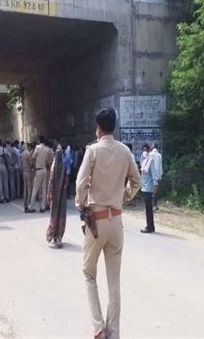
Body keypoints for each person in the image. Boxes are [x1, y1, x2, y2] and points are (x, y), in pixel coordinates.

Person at [76, 107, 140, 339]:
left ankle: (98, 328)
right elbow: (137, 181)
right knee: (114, 282)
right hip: (117, 222)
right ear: (113, 126)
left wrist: (82, 205)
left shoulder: (92, 151)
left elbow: (80, 184)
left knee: (89, 274)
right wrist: (122, 198)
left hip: (96, 223)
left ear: (98, 128)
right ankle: (113, 333)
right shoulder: (125, 151)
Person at [46, 145, 68, 248]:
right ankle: (59, 237)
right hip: (62, 196)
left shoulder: (53, 168)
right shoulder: (64, 166)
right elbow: (66, 182)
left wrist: (49, 194)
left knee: (54, 215)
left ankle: (52, 235)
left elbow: (50, 182)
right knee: (61, 215)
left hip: (55, 195)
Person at [28, 135, 48, 213]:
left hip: (38, 170)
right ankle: (42, 206)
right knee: (43, 189)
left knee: (35, 188)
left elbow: (33, 157)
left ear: (39, 140)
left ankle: (31, 206)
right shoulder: (46, 149)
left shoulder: (37, 148)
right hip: (44, 169)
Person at [140, 150, 158, 234]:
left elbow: (154, 176)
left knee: (149, 209)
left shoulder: (151, 162)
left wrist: (155, 188)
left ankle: (150, 227)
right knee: (147, 209)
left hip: (149, 188)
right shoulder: (144, 163)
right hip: (144, 188)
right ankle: (150, 226)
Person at [149, 143, 163, 211]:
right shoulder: (159, 155)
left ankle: (152, 206)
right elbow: (160, 167)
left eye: (151, 145)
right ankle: (155, 206)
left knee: (150, 191)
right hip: (157, 176)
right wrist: (160, 176)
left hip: (150, 176)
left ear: (153, 147)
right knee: (155, 192)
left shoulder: (150, 154)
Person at [21, 143, 33, 211]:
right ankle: (29, 205)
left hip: (24, 172)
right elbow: (31, 163)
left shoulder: (22, 154)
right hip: (28, 172)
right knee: (29, 189)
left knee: (25, 189)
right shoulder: (28, 154)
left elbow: (21, 164)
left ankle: (24, 204)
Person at [44, 139, 55, 211]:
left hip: (48, 170)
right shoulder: (52, 151)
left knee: (47, 188)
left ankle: (47, 204)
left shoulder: (47, 151)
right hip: (51, 170)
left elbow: (48, 161)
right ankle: (50, 203)